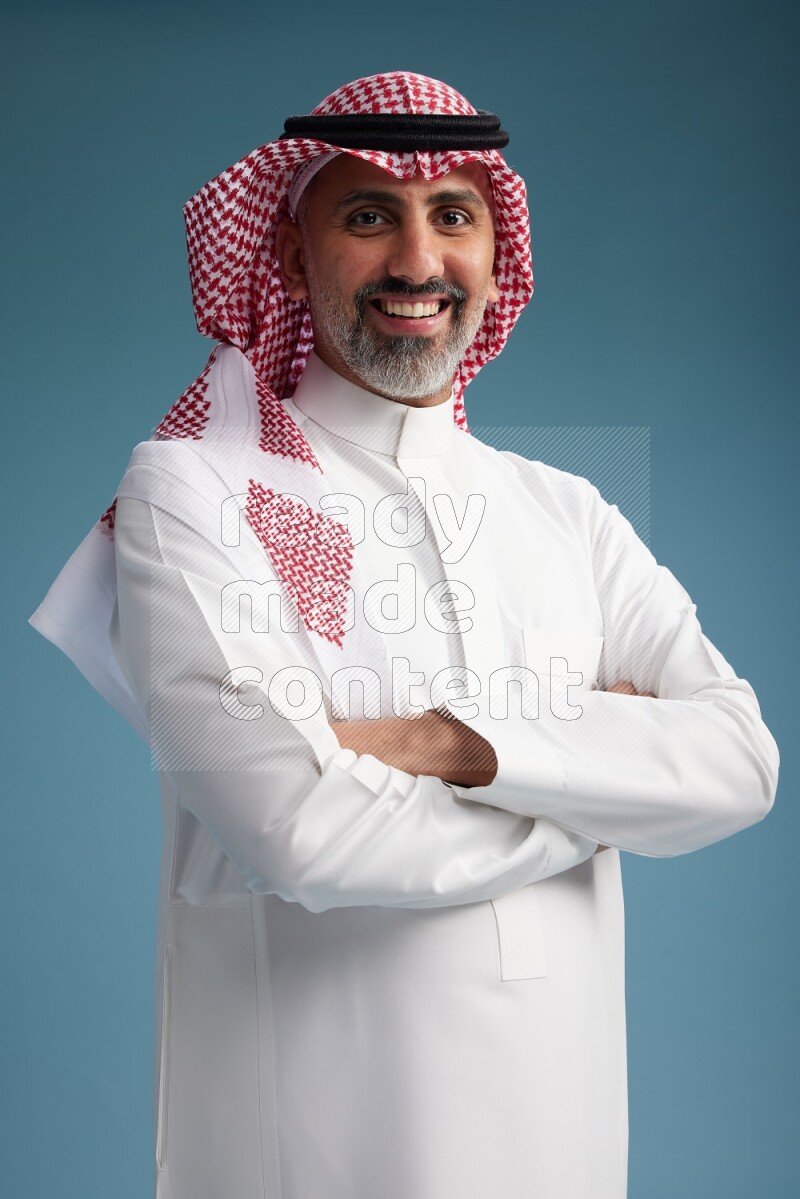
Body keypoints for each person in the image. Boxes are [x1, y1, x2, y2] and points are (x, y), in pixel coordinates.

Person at [29, 72, 779, 1199]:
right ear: (288, 256)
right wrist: (597, 796)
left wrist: (450, 743)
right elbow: (296, 828)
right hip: (307, 1146)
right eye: (368, 215)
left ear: (494, 252)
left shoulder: (563, 510)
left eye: (453, 217)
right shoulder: (193, 487)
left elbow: (740, 760)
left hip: (562, 1142)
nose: (417, 264)